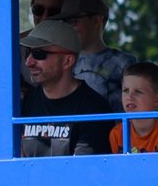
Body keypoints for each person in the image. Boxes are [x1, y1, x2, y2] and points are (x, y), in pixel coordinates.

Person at [15, 20, 114, 156]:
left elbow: (81, 171)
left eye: (39, 54)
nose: (28, 62)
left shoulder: (95, 110)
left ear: (67, 61)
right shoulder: (23, 103)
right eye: (28, 52)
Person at [63, 0, 133, 100]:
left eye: (73, 21)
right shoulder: (61, 62)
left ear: (97, 21)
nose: (67, 29)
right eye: (63, 23)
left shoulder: (123, 62)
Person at [108, 61, 158, 154]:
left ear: (157, 100)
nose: (129, 96)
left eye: (138, 91)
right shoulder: (117, 133)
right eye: (125, 90)